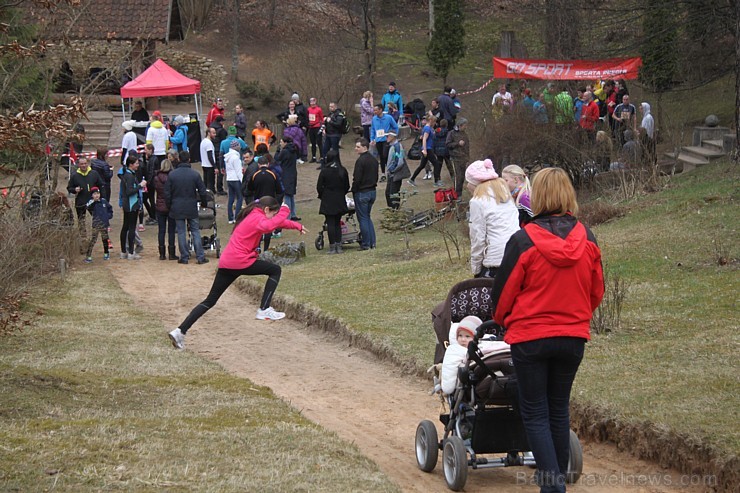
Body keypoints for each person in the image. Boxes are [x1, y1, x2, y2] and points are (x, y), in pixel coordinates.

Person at [492, 167, 604, 493]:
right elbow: (596, 291)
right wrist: (575, 317)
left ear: (536, 195)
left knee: (536, 412)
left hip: (530, 337)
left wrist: (503, 321)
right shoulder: (589, 239)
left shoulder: (523, 240)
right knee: (558, 408)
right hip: (572, 337)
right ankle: (556, 482)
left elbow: (503, 295)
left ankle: (552, 486)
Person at [168, 196, 309, 349]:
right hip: (240, 261)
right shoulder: (257, 217)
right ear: (267, 209)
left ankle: (180, 331)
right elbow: (269, 226)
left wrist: (296, 225)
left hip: (228, 262)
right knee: (275, 270)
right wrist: (285, 210)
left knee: (210, 301)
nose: (275, 217)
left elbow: (274, 223)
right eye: (273, 214)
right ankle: (264, 309)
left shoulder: (254, 215)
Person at [466, 160, 520, 278]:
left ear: (474, 183)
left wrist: (476, 269)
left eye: (468, 182)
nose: (467, 186)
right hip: (518, 254)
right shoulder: (506, 196)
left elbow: (477, 238)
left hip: (496, 260)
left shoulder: (477, 202)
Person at [164, 150, 209, 265]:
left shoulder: (172, 175)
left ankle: (184, 256)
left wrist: (170, 206)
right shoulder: (195, 174)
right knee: (195, 231)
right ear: (189, 160)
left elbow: (167, 193)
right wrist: (204, 203)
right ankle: (200, 256)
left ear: (178, 159)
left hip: (177, 206)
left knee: (181, 232)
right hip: (191, 206)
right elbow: (203, 191)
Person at [66, 156, 104, 253]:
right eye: (81, 164)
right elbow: (69, 188)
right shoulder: (75, 175)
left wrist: (100, 196)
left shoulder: (94, 174)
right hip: (80, 202)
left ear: (88, 163)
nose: (83, 166)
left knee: (98, 220)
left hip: (93, 201)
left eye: (85, 163)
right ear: (78, 164)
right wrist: (75, 190)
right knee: (81, 222)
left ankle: (102, 239)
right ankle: (83, 243)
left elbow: (101, 185)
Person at [317, 149, 350, 254]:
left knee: (330, 223)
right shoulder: (342, 170)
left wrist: (323, 195)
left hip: (328, 198)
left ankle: (332, 246)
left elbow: (319, 186)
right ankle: (338, 245)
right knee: (337, 222)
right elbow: (347, 186)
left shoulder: (325, 171)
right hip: (339, 198)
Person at [247, 154, 282, 252]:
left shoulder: (255, 175)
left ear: (259, 164)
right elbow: (279, 190)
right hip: (270, 202)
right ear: (268, 164)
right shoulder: (273, 174)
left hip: (259, 203)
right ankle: (266, 248)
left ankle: (257, 246)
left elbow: (249, 188)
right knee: (268, 227)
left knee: (258, 226)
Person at [440, 316, 483, 395]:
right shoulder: (455, 350)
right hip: (466, 379)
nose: (463, 339)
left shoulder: (484, 346)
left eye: (467, 336)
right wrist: (448, 387)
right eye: (460, 336)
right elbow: (450, 366)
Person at [352, 138, 378, 251]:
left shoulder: (361, 161)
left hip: (363, 192)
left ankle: (366, 243)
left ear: (365, 147)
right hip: (372, 191)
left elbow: (357, 178)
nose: (356, 149)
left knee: (362, 218)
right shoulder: (373, 160)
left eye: (358, 147)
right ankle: (372, 242)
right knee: (367, 217)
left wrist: (354, 189)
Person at [119, 155, 146, 260]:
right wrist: (140, 185)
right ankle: (130, 252)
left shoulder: (126, 175)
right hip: (131, 204)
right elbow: (129, 191)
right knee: (130, 228)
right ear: (131, 164)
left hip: (127, 204)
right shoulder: (130, 176)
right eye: (136, 163)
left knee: (125, 227)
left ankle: (123, 251)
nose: (138, 165)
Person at [153, 157, 178, 260]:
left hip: (160, 205)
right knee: (171, 230)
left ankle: (162, 253)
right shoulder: (173, 178)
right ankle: (171, 253)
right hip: (171, 205)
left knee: (161, 230)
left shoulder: (156, 178)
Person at [408, 114, 442, 187]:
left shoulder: (429, 128)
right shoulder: (427, 128)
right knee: (436, 164)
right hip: (428, 149)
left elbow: (422, 137)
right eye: (434, 122)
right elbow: (424, 139)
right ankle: (436, 181)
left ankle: (412, 179)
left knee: (422, 165)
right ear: (431, 121)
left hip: (428, 148)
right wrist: (425, 150)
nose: (435, 123)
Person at [83, 187, 113, 263]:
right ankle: (88, 255)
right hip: (96, 224)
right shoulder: (91, 202)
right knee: (93, 239)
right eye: (95, 194)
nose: (97, 195)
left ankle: (106, 253)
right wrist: (94, 201)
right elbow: (87, 207)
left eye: (98, 193)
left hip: (104, 224)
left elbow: (110, 209)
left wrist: (108, 215)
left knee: (105, 239)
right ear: (92, 195)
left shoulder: (103, 201)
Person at [370, 103, 399, 180]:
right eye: (374, 110)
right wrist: (372, 139)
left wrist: (392, 136)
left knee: (385, 155)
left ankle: (390, 170)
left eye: (376, 110)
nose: (375, 111)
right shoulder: (374, 119)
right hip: (378, 140)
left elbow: (395, 127)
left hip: (386, 140)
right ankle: (383, 174)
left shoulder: (388, 118)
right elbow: (372, 129)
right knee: (381, 157)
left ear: (381, 110)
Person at [276, 135, 300, 221]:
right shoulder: (294, 150)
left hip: (286, 174)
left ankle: (288, 215)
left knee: (286, 195)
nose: (280, 143)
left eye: (281, 142)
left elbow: (277, 159)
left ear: (285, 142)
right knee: (291, 195)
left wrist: (278, 151)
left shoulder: (285, 151)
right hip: (293, 173)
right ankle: (293, 214)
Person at [446, 117, 470, 197]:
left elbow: (467, 147)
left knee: (462, 177)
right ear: (460, 125)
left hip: (463, 158)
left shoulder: (465, 134)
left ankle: (459, 194)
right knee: (458, 177)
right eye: (465, 125)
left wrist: (467, 157)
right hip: (455, 158)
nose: (466, 127)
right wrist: (457, 143)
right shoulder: (451, 133)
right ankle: (456, 195)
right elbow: (448, 144)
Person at [384, 131, 409, 209]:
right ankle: (391, 209)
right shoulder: (392, 146)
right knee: (388, 193)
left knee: (393, 194)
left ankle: (395, 210)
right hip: (391, 174)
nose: (386, 138)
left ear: (392, 137)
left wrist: (391, 170)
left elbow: (399, 161)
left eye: (387, 136)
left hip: (395, 175)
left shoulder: (397, 146)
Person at [224, 140, 244, 224]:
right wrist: (242, 181)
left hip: (229, 179)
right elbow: (238, 171)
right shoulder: (236, 158)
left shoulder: (227, 157)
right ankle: (237, 217)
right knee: (240, 198)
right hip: (236, 179)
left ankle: (230, 218)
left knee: (231, 198)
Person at [321, 102, 346, 167]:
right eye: (329, 106)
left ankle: (337, 164)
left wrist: (330, 121)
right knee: (325, 149)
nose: (330, 108)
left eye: (332, 106)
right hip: (328, 134)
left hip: (335, 134)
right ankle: (324, 164)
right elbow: (327, 123)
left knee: (335, 150)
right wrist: (324, 127)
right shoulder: (330, 114)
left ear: (335, 107)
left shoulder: (339, 114)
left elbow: (338, 124)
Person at [211, 115, 229, 195]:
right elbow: (224, 140)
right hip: (219, 150)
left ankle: (211, 187)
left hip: (212, 150)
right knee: (221, 169)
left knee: (213, 169)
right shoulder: (221, 130)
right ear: (220, 122)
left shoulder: (211, 127)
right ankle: (219, 188)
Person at [306, 97, 324, 163]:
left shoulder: (319, 109)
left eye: (313, 102)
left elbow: (322, 118)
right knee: (313, 143)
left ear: (315, 102)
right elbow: (308, 117)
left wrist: (322, 127)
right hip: (311, 127)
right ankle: (313, 157)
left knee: (319, 142)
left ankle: (322, 156)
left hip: (317, 127)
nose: (312, 103)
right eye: (311, 102)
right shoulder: (308, 109)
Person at [200, 126, 217, 192]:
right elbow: (210, 156)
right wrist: (215, 166)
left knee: (206, 181)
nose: (215, 134)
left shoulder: (203, 141)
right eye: (213, 133)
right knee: (210, 183)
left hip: (204, 164)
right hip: (209, 165)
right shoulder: (209, 143)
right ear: (209, 133)